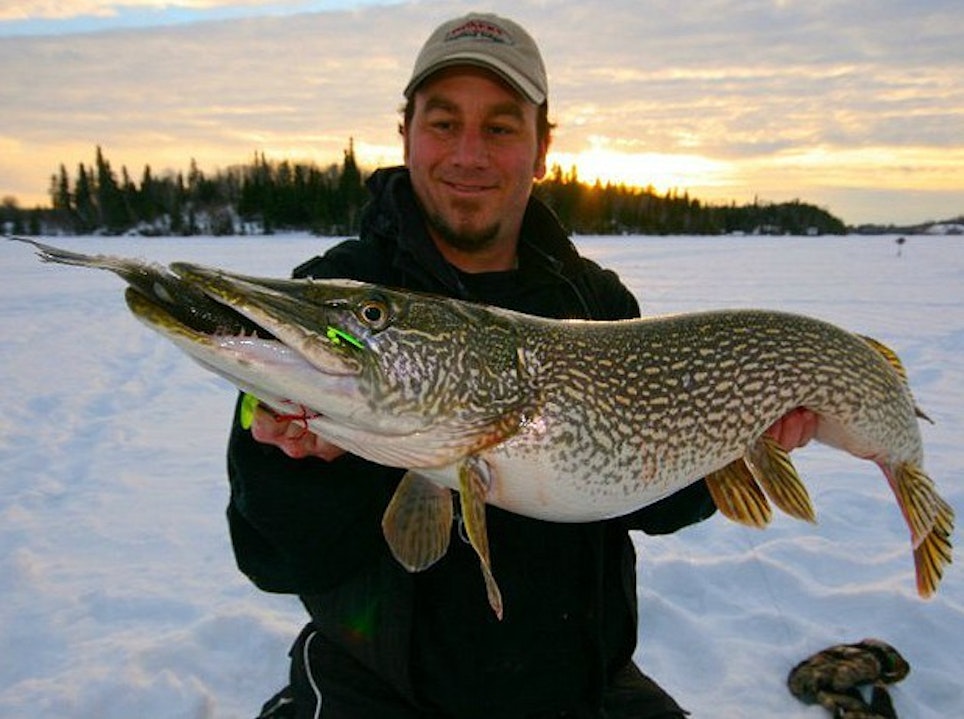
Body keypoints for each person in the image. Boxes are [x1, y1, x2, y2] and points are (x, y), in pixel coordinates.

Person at [227, 12, 817, 719]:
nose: (468, 154)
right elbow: (274, 556)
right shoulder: (337, 296)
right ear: (407, 136)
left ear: (542, 149)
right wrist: (294, 466)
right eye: (444, 123)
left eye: (501, 127)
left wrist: (736, 440)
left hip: (582, 690)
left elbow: (649, 497)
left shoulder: (595, 302)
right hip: (378, 692)